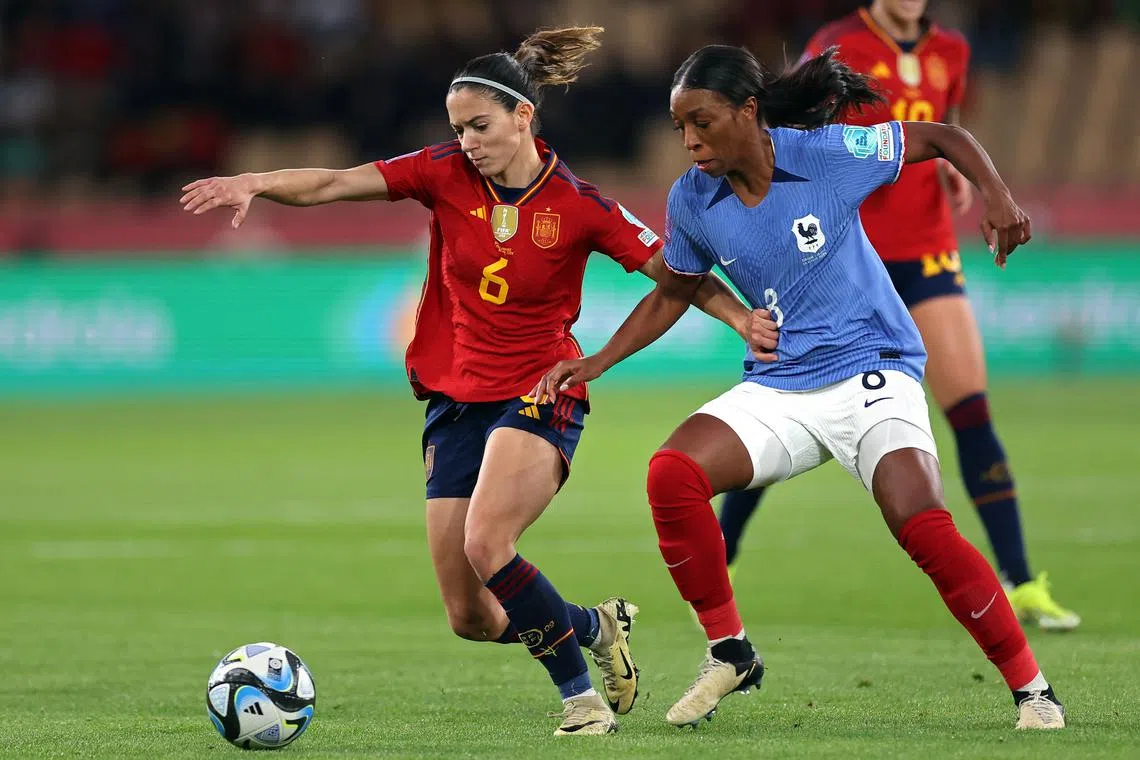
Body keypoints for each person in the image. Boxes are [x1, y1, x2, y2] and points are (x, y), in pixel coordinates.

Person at [180, 27, 753, 736]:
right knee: (471, 617)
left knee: (489, 544)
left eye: (479, 126)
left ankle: (581, 700)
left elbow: (678, 274)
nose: (468, 142)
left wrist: (742, 317)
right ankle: (595, 626)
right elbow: (334, 182)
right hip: (456, 402)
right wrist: (256, 182)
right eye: (458, 129)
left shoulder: (579, 204)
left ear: (523, 117)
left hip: (540, 394)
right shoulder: (442, 171)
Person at [533, 45, 1066, 731]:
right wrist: (600, 360)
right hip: (783, 385)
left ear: (748, 111)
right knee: (672, 473)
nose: (690, 141)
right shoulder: (693, 198)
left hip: (873, 368)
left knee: (920, 522)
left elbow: (943, 136)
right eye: (680, 129)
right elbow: (677, 288)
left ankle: (1033, 690)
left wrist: (998, 196)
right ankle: (730, 650)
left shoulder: (825, 153)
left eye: (702, 122)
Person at [717, 0, 1080, 632]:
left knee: (970, 411)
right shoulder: (838, 43)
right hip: (848, 257)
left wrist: (957, 176)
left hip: (929, 249)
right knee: (788, 400)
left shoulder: (952, 52)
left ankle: (1021, 581)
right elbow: (783, 130)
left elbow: (949, 123)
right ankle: (723, 554)